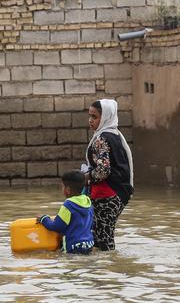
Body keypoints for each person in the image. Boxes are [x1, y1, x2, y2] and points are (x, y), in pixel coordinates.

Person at [84, 99, 133, 251]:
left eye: (95, 117)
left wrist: (85, 177)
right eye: (90, 116)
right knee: (102, 235)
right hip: (119, 192)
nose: (90, 121)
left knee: (103, 239)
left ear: (105, 117)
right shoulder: (115, 135)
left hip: (107, 194)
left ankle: (107, 270)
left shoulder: (101, 139)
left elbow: (103, 171)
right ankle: (107, 269)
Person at [37, 170, 94, 254]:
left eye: (62, 187)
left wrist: (44, 219)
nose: (62, 189)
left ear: (67, 189)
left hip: (73, 248)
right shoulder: (88, 201)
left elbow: (57, 226)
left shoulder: (68, 205)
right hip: (89, 245)